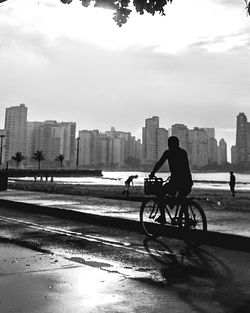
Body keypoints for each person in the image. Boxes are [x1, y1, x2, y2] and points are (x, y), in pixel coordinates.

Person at [149, 136, 193, 223]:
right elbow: (185, 169)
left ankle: (162, 216)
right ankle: (186, 218)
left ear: (170, 144)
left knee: (160, 193)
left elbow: (160, 163)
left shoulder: (168, 153)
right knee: (181, 198)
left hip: (177, 181)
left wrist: (153, 173)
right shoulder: (183, 152)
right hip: (187, 181)